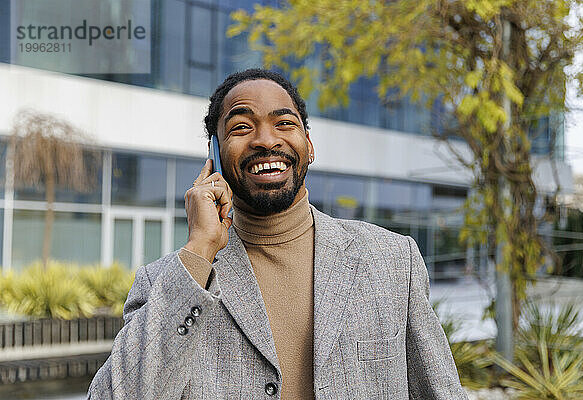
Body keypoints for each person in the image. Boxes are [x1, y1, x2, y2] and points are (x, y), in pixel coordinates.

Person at [88, 69, 467, 400]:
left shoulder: (393, 260)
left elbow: (440, 391)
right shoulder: (169, 283)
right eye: (241, 126)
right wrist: (201, 248)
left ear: (309, 145)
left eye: (284, 123)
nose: (266, 140)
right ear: (214, 155)